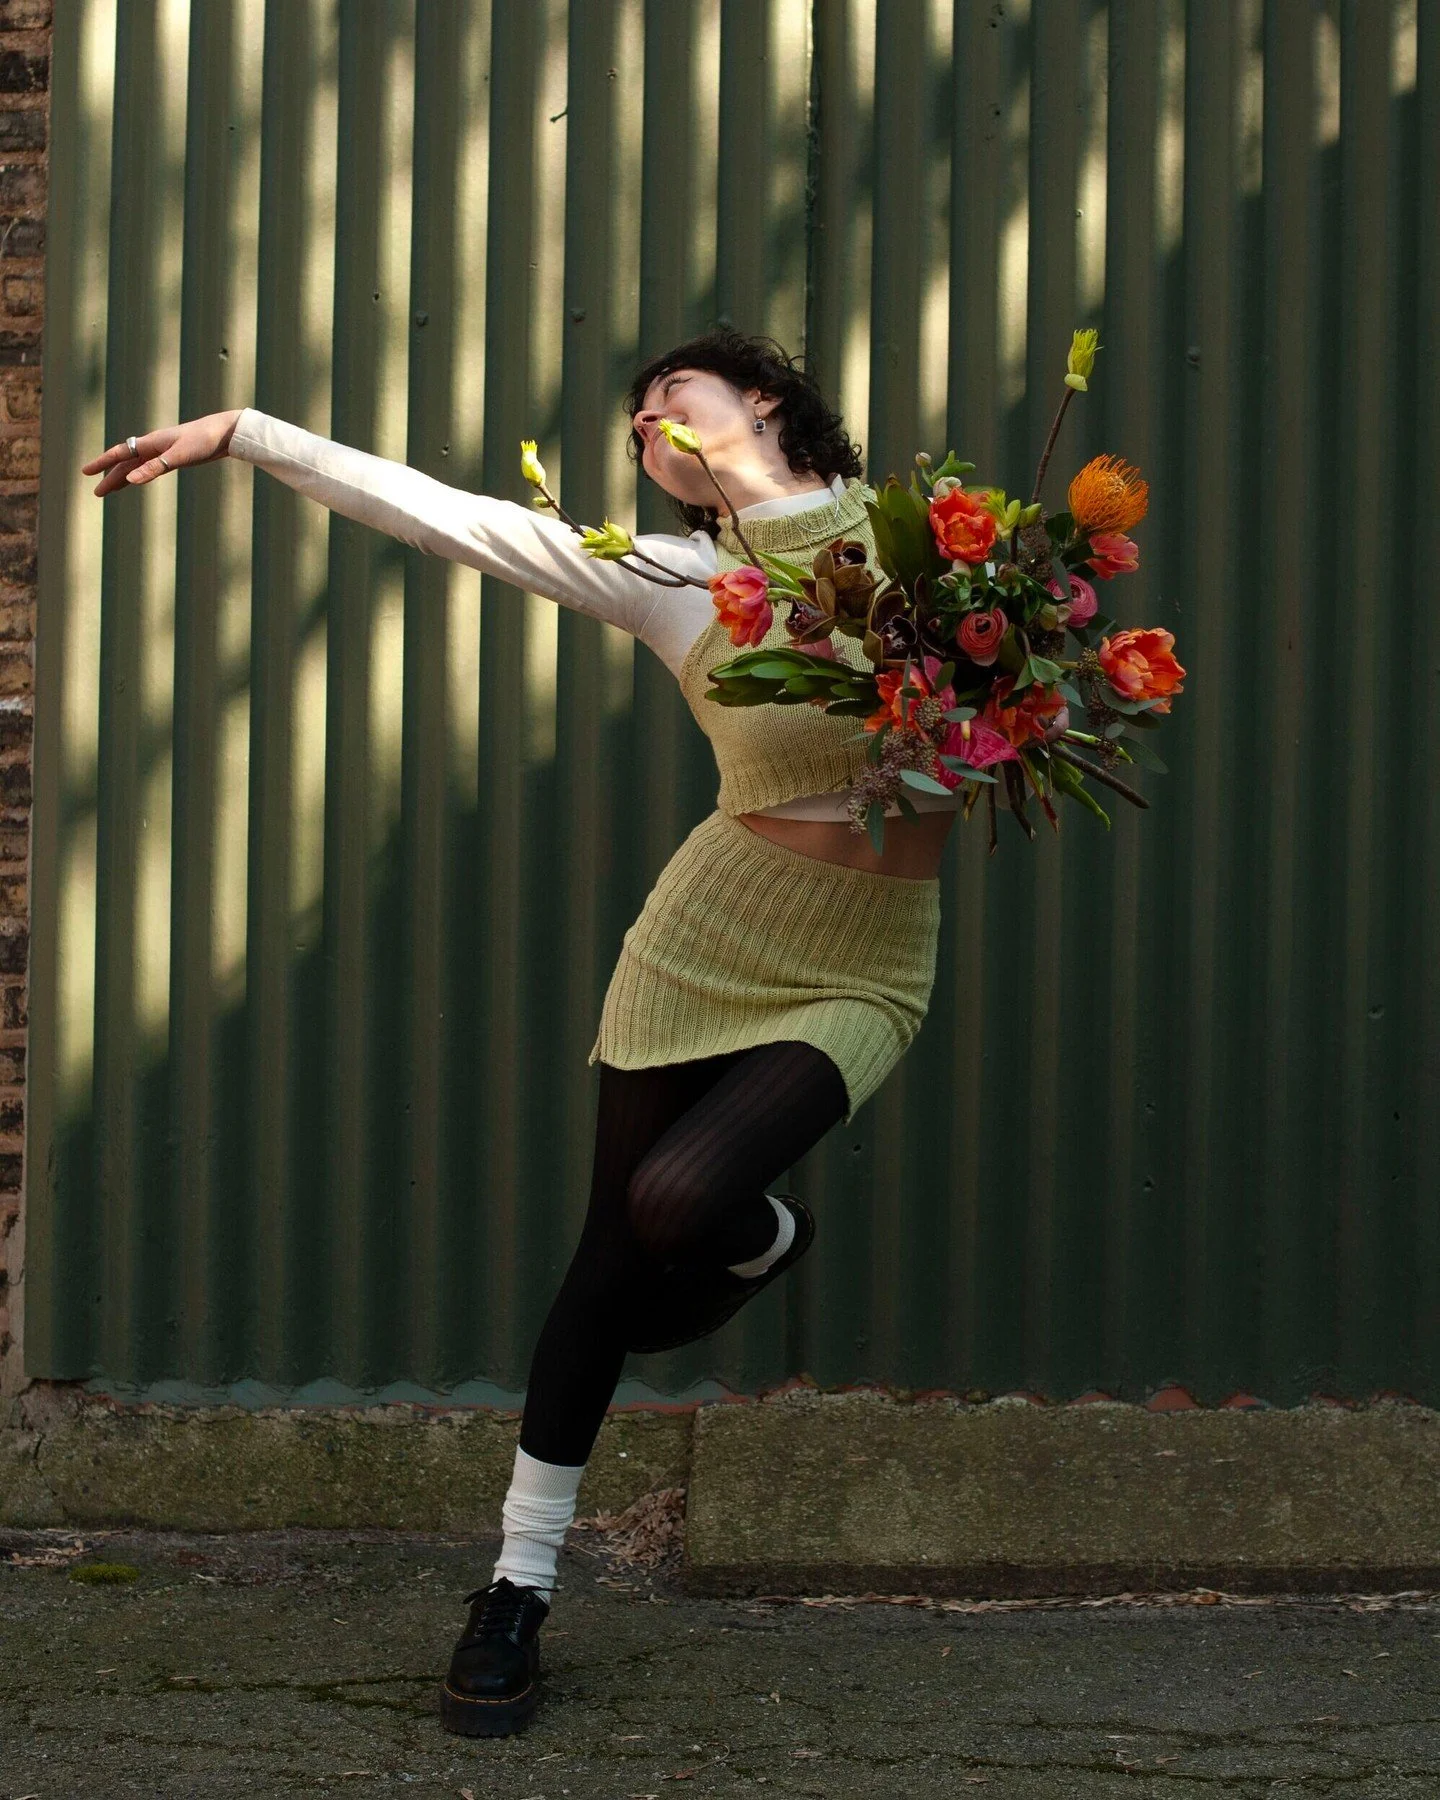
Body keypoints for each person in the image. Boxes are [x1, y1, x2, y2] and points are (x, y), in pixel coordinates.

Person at [83, 326, 957, 1737]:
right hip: (704, 940)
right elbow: (454, 521)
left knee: (680, 1200)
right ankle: (516, 1589)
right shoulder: (674, 580)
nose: (651, 422)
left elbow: (1017, 683)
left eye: (673, 394)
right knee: (614, 1250)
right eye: (636, 422)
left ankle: (753, 1235)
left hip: (863, 960)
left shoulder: (926, 541)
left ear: (765, 401)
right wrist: (248, 433)